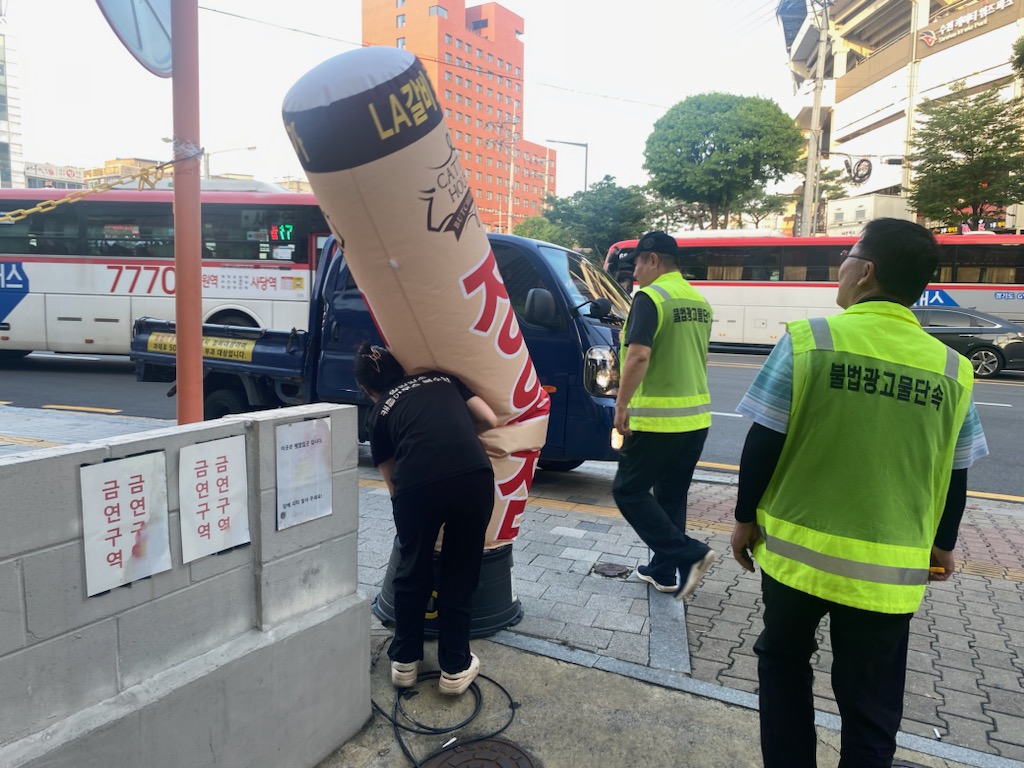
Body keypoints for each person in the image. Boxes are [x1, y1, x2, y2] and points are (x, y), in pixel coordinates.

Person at [729, 218, 989, 767]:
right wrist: (943, 542)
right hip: (890, 574)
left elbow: (763, 441)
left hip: (796, 562)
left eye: (847, 255)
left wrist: (744, 518)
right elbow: (957, 470)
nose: (841, 267)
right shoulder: (952, 370)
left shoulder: (810, 339)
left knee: (783, 665)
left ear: (866, 272)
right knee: (871, 705)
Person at [353, 342, 498, 696]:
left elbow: (392, 482)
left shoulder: (379, 413)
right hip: (472, 475)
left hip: (417, 485)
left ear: (366, 390)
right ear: (401, 368)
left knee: (412, 566)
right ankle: (454, 667)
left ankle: (404, 662)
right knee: (460, 571)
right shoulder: (441, 379)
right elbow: (490, 419)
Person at [612, 231, 717, 600]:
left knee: (627, 490)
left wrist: (621, 405)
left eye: (638, 263)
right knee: (671, 496)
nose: (636, 272)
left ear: (652, 260)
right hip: (696, 420)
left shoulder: (650, 297)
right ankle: (664, 571)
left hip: (658, 422)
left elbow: (638, 355)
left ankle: (692, 554)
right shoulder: (698, 300)